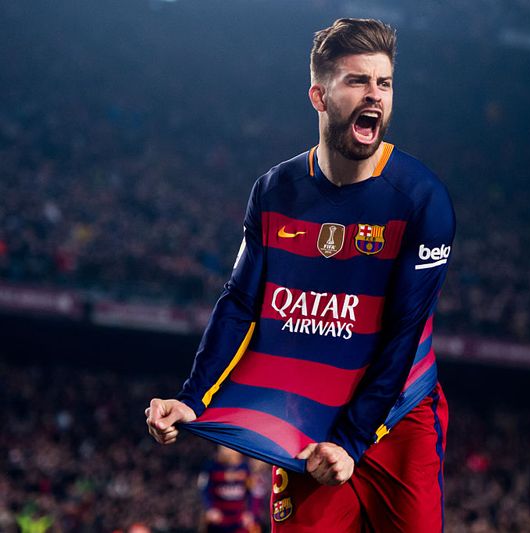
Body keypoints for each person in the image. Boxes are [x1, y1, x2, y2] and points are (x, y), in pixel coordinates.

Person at [146, 18, 455, 532]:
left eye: (384, 83)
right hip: (305, 420)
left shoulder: (423, 199)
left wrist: (353, 440)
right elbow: (240, 303)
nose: (374, 95)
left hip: (399, 420)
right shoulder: (274, 191)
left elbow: (403, 334)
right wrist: (192, 397)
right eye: (357, 80)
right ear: (319, 96)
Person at [198, 446, 256, 533]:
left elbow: (251, 491)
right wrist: (210, 508)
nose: (228, 450)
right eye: (224, 448)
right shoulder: (212, 467)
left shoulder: (245, 467)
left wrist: (249, 512)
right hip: (219, 517)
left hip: (238, 518)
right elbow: (205, 489)